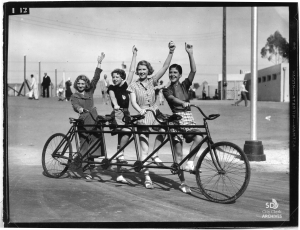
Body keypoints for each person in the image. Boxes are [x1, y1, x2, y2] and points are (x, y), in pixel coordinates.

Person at [127, 41, 176, 189]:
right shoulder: (134, 85)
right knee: (144, 149)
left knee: (164, 131)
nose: (142, 71)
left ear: (148, 70)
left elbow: (165, 67)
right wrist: (140, 110)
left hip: (155, 114)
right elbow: (133, 102)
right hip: (142, 116)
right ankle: (147, 177)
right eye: (139, 69)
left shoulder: (152, 80)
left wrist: (171, 52)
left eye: (144, 69)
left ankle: (155, 154)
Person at [163, 43, 203, 194]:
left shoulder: (185, 85)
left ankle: (190, 162)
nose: (172, 74)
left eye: (175, 73)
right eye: (171, 72)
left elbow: (193, 70)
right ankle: (183, 182)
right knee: (178, 154)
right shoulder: (167, 89)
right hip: (176, 120)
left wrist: (190, 53)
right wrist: (184, 103)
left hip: (188, 118)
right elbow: (172, 99)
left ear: (180, 75)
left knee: (199, 137)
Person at [107, 45, 137, 184]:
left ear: (122, 78)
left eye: (117, 77)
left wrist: (134, 55)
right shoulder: (111, 88)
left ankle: (119, 174)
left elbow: (131, 70)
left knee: (122, 142)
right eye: (113, 77)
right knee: (127, 132)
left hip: (126, 114)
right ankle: (120, 154)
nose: (114, 79)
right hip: (117, 114)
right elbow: (113, 98)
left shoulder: (127, 85)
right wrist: (116, 105)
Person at [70, 52, 105, 160]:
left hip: (93, 119)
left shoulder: (89, 91)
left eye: (83, 83)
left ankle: (90, 163)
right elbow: (75, 105)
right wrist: (80, 109)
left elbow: (96, 78)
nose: (80, 85)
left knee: (95, 140)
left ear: (86, 84)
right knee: (84, 143)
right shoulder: (74, 95)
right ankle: (85, 167)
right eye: (79, 83)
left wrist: (99, 63)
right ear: (76, 84)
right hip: (83, 120)